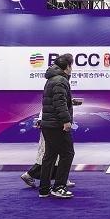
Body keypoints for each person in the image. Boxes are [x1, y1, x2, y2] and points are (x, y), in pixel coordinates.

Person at [38, 54, 76, 199]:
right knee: (67, 153)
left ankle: (44, 189)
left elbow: (56, 100)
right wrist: (66, 121)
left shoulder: (52, 79)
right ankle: (59, 186)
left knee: (50, 156)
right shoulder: (60, 80)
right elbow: (59, 103)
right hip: (56, 125)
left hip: (48, 124)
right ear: (67, 66)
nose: (72, 69)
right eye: (71, 65)